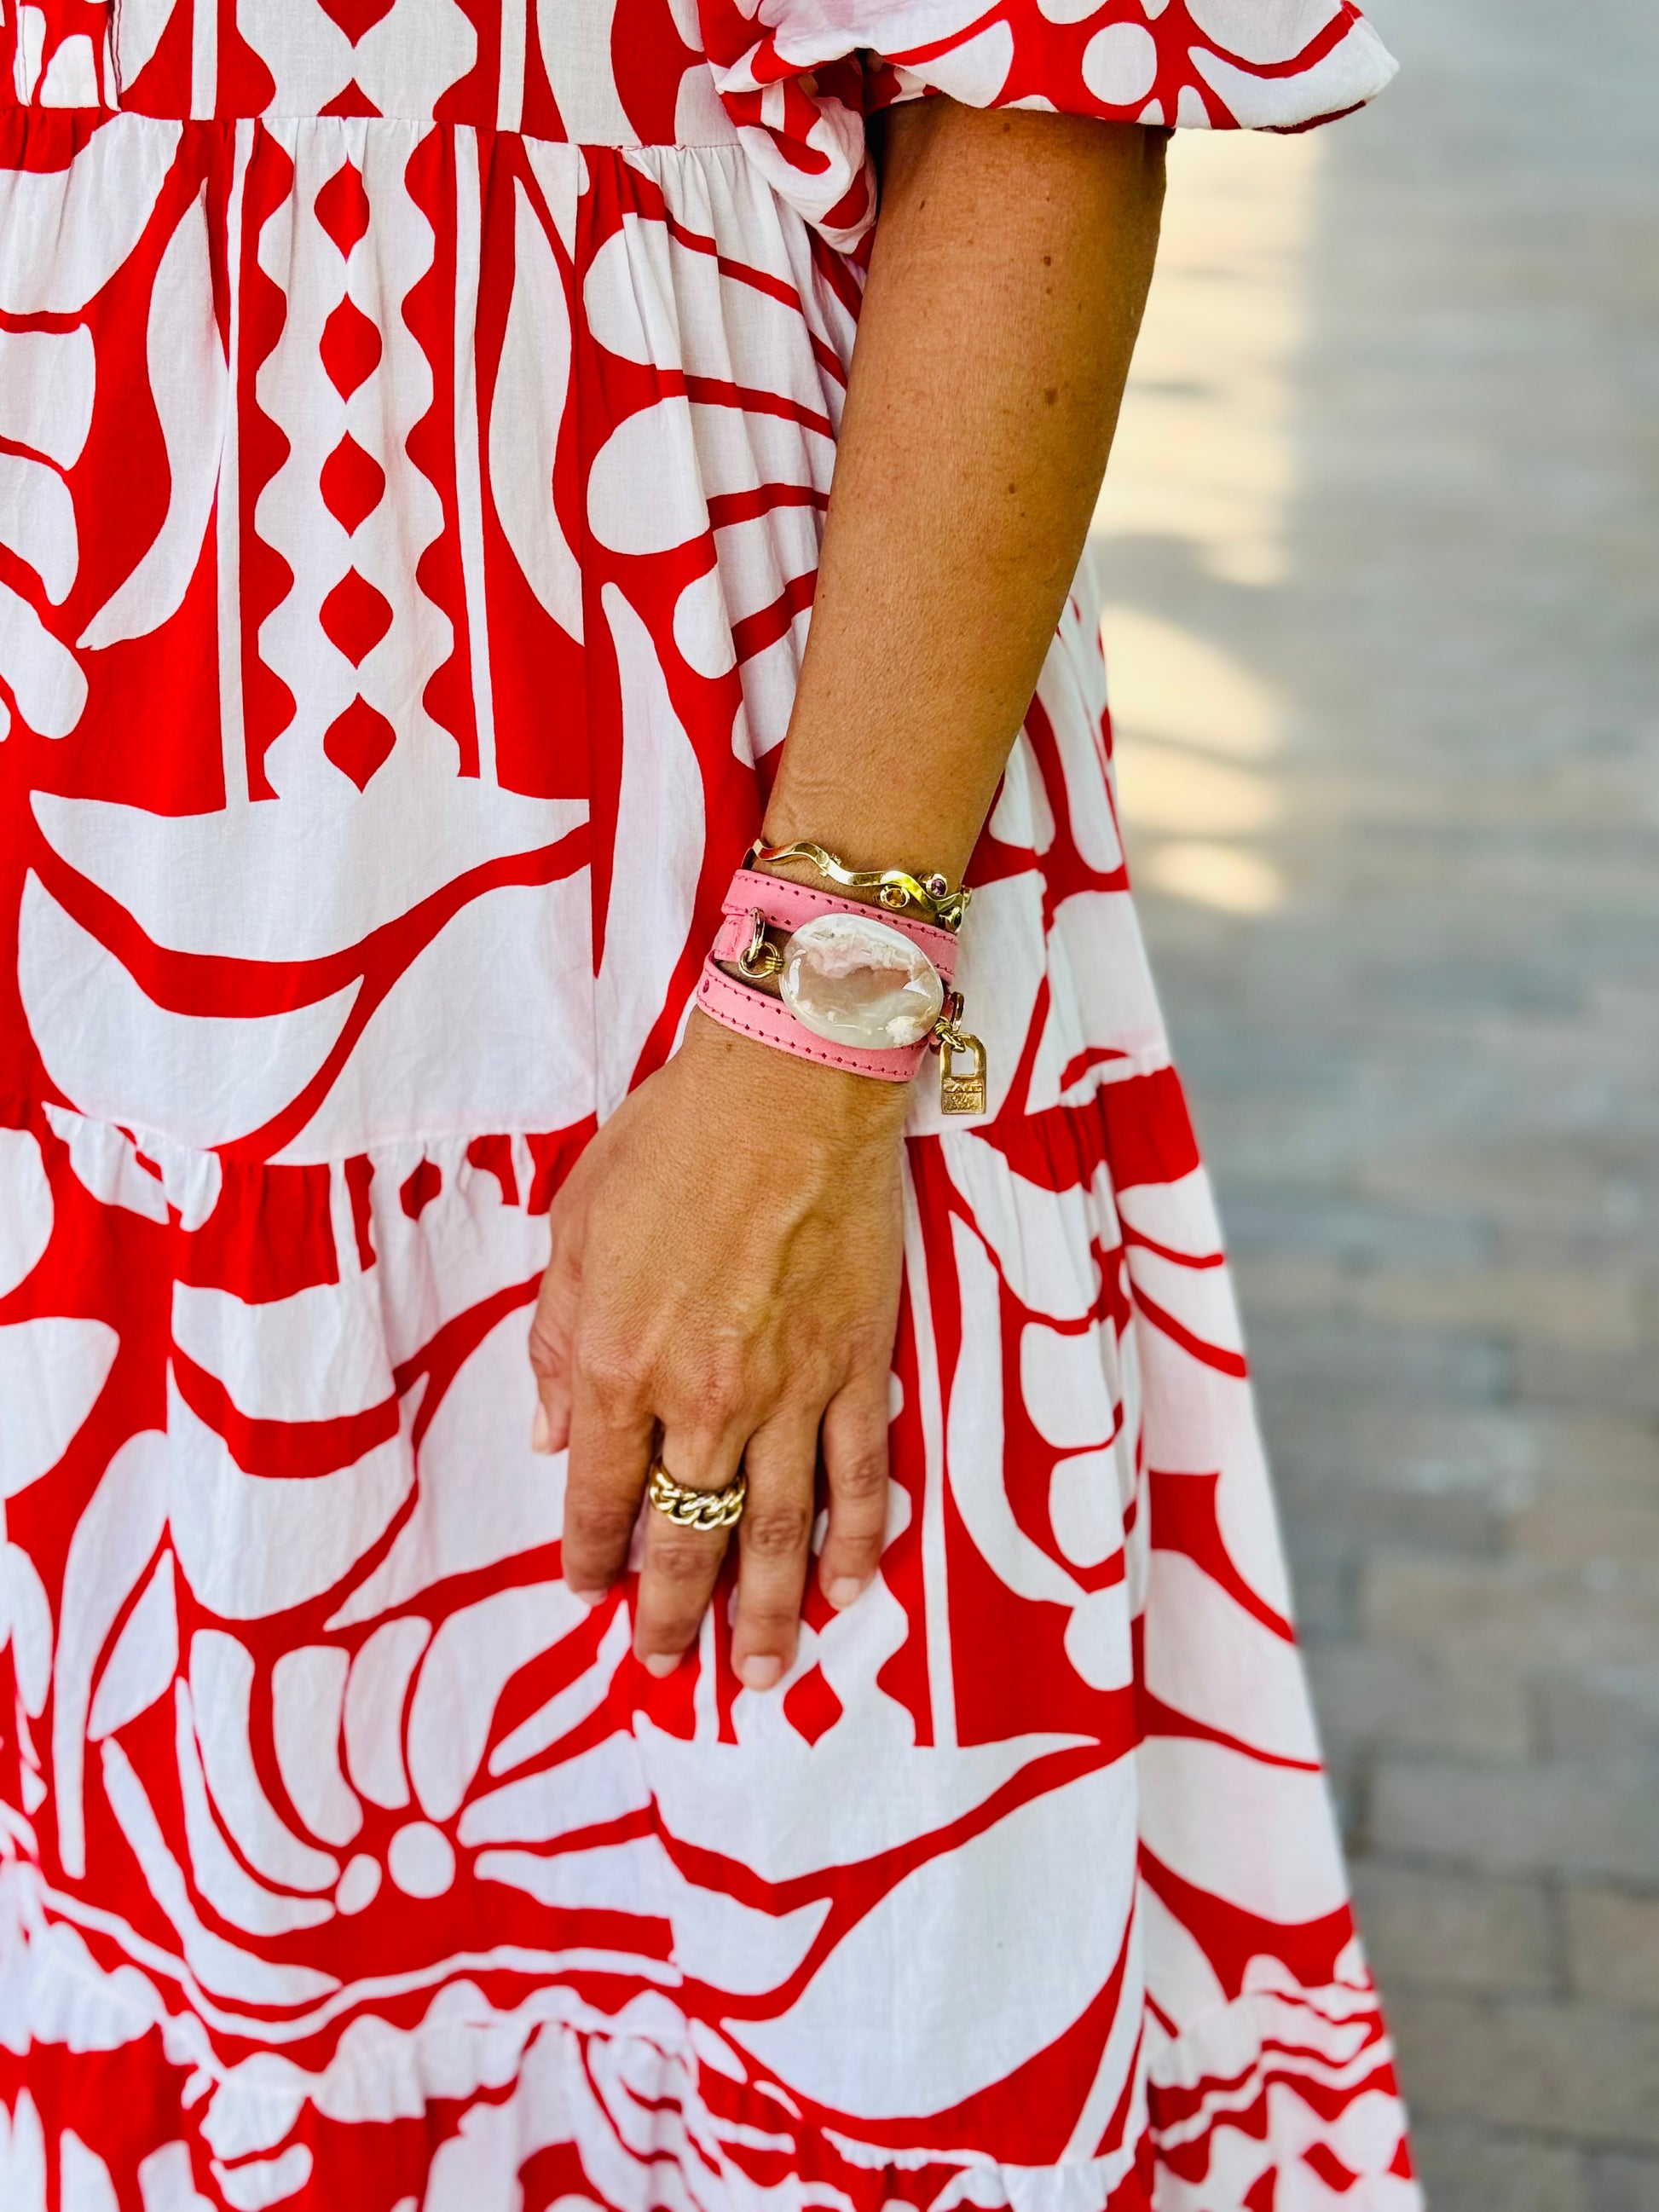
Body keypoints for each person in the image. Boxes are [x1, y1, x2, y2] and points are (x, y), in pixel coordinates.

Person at [0, 3, 1417, 2206]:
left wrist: (805, 1049)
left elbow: (1048, 95)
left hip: (698, 884)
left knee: (821, 1927)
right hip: (78, 932)